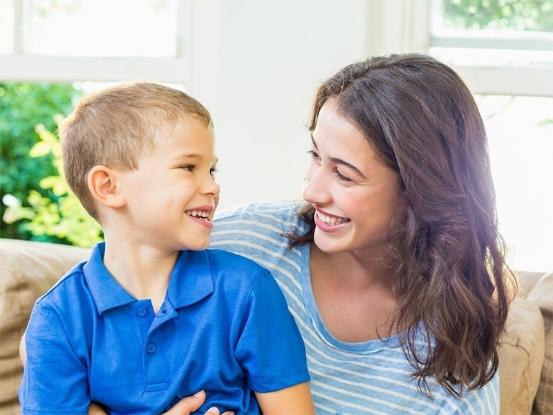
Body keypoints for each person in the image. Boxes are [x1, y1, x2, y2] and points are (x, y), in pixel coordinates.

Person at [204, 54, 513, 414]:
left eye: (345, 175)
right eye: (315, 156)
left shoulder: (453, 367)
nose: (312, 191)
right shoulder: (237, 245)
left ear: (419, 191)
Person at [18, 83, 315, 415]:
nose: (213, 186)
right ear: (109, 186)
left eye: (211, 170)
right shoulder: (58, 318)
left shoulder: (246, 290)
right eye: (188, 167)